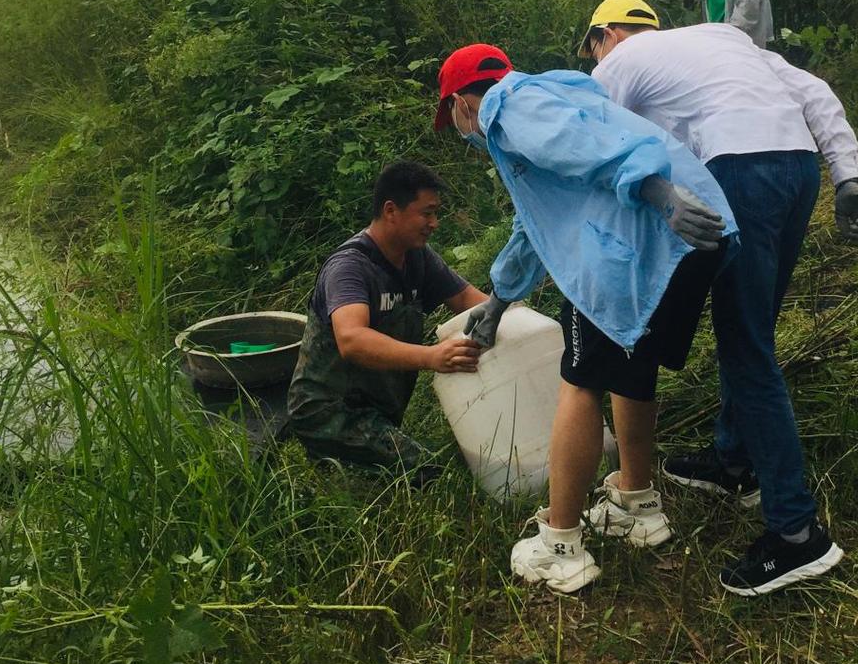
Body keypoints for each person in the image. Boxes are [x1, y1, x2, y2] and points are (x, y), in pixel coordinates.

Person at [582, 0, 858, 595]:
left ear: (603, 35)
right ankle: (734, 461)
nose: (594, 57)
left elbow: (588, 144)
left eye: (591, 46)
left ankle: (795, 534)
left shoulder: (618, 63)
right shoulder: (722, 39)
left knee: (746, 349)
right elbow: (815, 93)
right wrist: (847, 175)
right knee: (754, 327)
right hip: (797, 168)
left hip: (740, 169)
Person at [435, 41, 737, 594]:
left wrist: (659, 192)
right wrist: (499, 300)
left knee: (580, 383)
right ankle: (636, 503)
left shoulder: (509, 106)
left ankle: (559, 543)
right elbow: (537, 226)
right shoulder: (555, 99)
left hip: (643, 237)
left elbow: (593, 149)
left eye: (453, 117)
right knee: (631, 368)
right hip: (691, 241)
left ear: (461, 104)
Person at [285, 161, 487, 474]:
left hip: (377, 410)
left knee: (459, 460)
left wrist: (517, 318)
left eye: (436, 213)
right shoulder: (350, 267)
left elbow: (465, 300)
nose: (434, 223)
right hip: (330, 412)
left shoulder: (417, 257)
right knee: (435, 474)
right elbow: (352, 339)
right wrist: (432, 356)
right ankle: (330, 463)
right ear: (391, 210)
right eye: (427, 213)